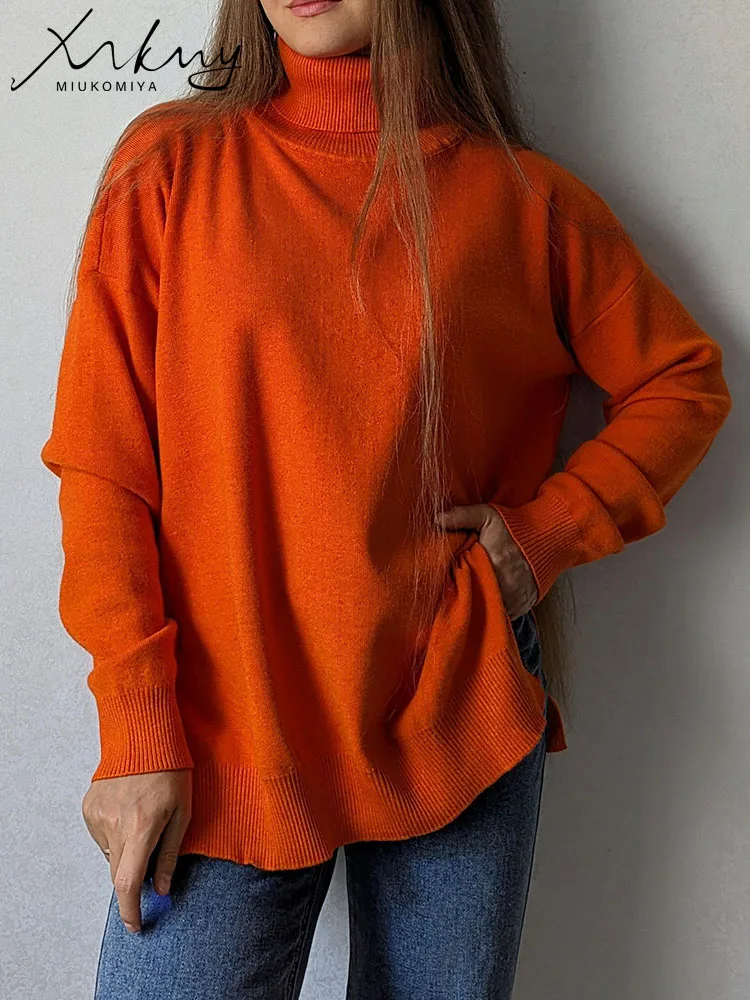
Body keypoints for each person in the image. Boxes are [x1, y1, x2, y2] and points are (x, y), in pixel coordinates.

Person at [40, 1, 732, 997]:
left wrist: (546, 535)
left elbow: (684, 382)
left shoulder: (521, 200)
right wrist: (136, 728)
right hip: (224, 726)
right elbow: (105, 467)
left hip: (457, 705)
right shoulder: (171, 166)